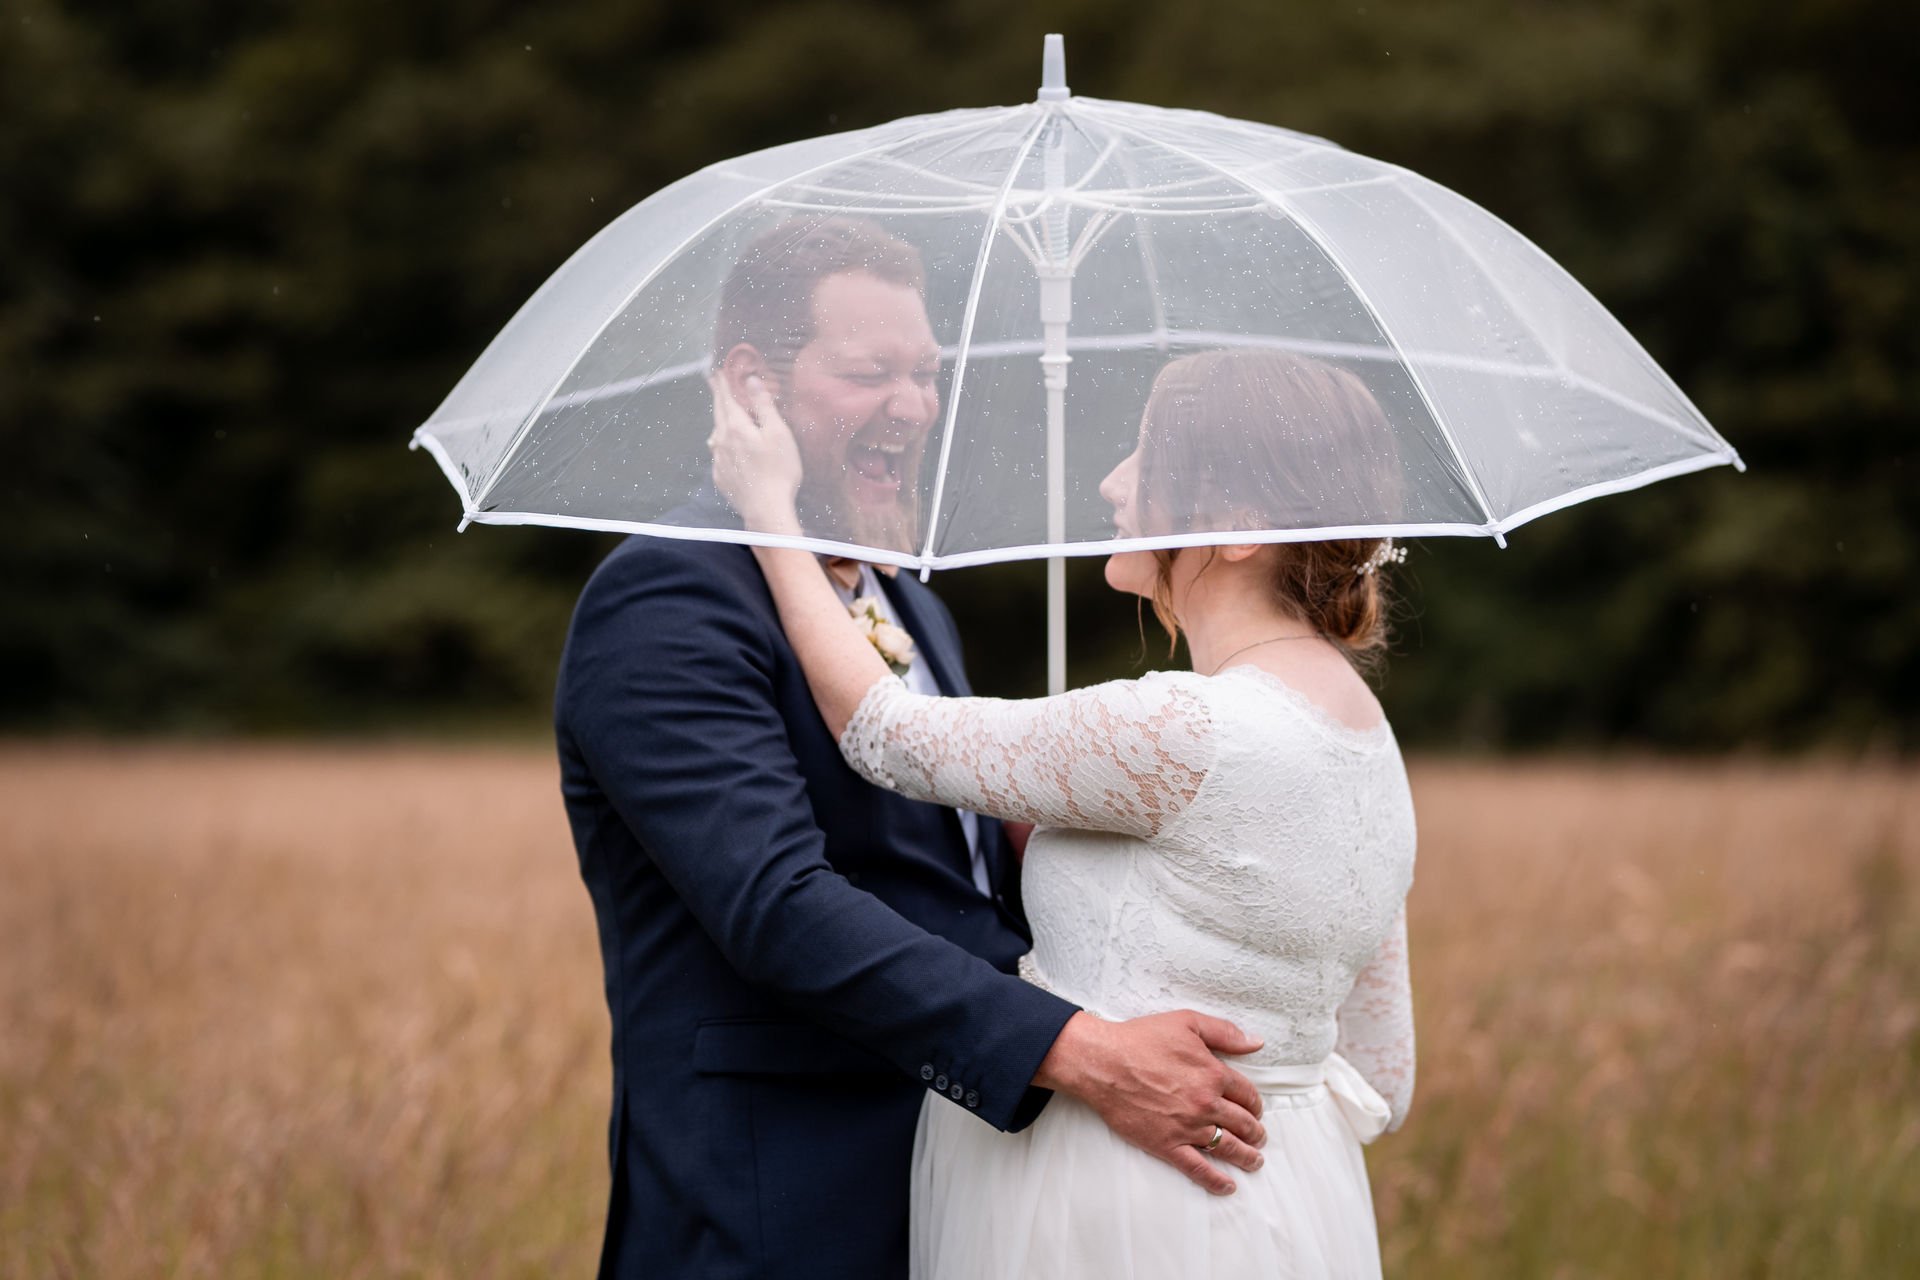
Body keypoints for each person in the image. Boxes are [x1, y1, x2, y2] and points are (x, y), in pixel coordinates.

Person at [555, 217, 1271, 1280]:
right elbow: (777, 902)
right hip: (779, 1201)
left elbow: (953, 878)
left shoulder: (906, 600)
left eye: (927, 375)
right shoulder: (666, 598)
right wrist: (1082, 1052)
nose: (915, 406)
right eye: (870, 372)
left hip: (964, 1184)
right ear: (751, 381)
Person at [710, 345, 1419, 1278]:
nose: (1114, 482)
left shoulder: (1176, 723)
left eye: (1150, 460)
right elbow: (1384, 1070)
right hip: (1288, 1196)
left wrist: (770, 515)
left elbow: (884, 733)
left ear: (1242, 528)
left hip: (1123, 1198)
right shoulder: (1367, 737)